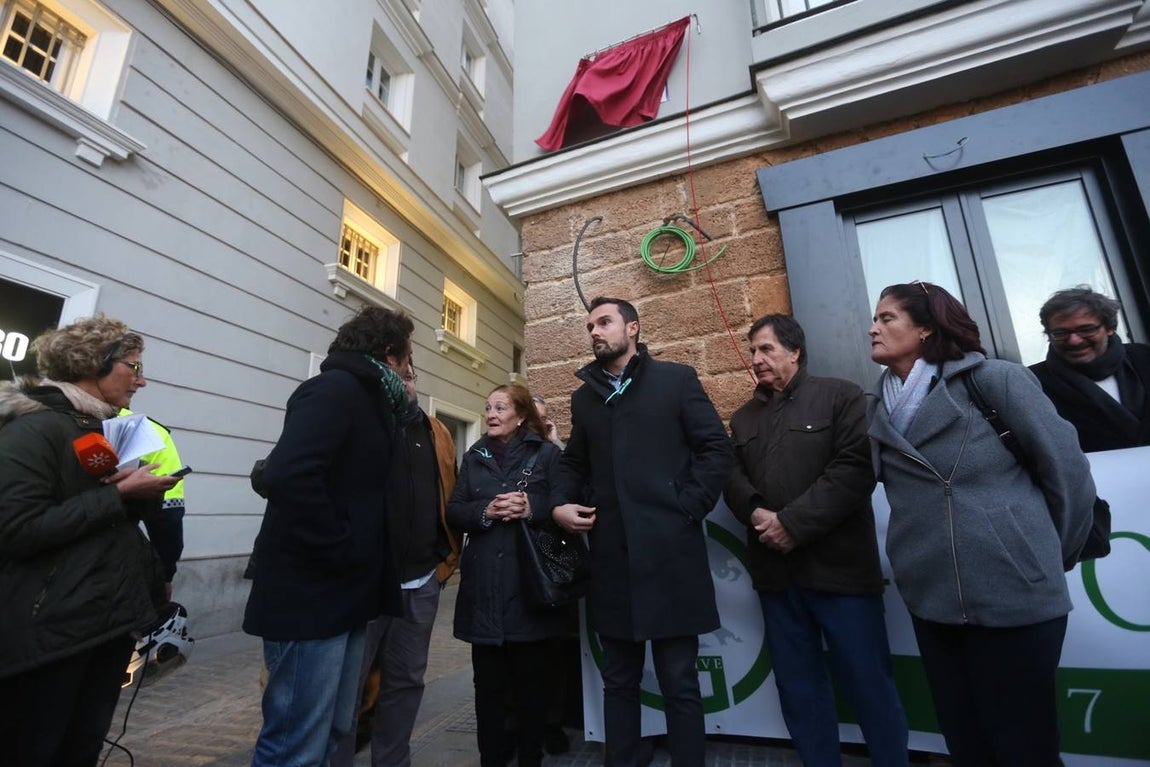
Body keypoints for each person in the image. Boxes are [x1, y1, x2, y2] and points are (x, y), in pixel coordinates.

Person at [866, 282, 1095, 767]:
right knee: (966, 744)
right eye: (876, 318)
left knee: (1023, 747)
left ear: (926, 327)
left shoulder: (993, 380)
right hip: (934, 603)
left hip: (1016, 596)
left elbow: (1068, 471)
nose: (873, 328)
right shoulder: (877, 409)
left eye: (887, 318)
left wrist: (1043, 556)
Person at [551, 296, 733, 767]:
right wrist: (558, 506)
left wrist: (685, 509)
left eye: (605, 322)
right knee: (619, 682)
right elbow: (573, 463)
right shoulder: (584, 397)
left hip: (672, 560)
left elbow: (715, 449)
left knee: (680, 682)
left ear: (632, 328)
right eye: (590, 324)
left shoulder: (676, 380)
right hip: (611, 562)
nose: (594, 331)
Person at [725, 314, 908, 767]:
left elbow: (853, 470)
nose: (757, 359)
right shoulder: (743, 417)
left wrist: (792, 524)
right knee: (798, 688)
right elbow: (731, 476)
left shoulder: (841, 395)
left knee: (868, 682)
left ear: (795, 351)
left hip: (840, 573)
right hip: (777, 578)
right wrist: (755, 512)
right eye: (752, 351)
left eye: (766, 349)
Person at [0, 316, 179, 766]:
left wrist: (132, 496)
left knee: (80, 750)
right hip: (51, 635)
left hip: (100, 626)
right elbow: (16, 529)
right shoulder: (34, 429)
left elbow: (94, 520)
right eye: (132, 367)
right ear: (94, 364)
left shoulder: (94, 428)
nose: (142, 380)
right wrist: (117, 494)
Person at [244, 306, 414, 767]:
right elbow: (288, 475)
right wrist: (341, 547)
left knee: (336, 730)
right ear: (388, 353)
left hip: (346, 595)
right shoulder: (335, 389)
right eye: (407, 360)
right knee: (295, 742)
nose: (409, 372)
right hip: (310, 597)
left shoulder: (370, 400)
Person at [331, 357, 461, 767]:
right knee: (347, 687)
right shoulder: (363, 424)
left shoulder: (435, 429)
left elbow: (448, 490)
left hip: (421, 580)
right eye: (396, 375)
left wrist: (443, 558)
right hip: (366, 584)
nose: (405, 382)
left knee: (406, 682)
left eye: (410, 374)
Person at [446, 384, 566, 767]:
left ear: (520, 413)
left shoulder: (545, 455)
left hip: (529, 588)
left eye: (500, 407)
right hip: (484, 590)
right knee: (488, 690)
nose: (491, 414)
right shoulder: (474, 456)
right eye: (487, 408)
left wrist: (532, 505)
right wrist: (487, 511)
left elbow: (564, 503)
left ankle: (531, 758)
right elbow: (455, 510)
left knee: (532, 688)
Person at [1029, 286, 1150, 451]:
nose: (1074, 340)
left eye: (1086, 330)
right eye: (1061, 333)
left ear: (1109, 328)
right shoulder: (1031, 382)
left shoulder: (1144, 358)